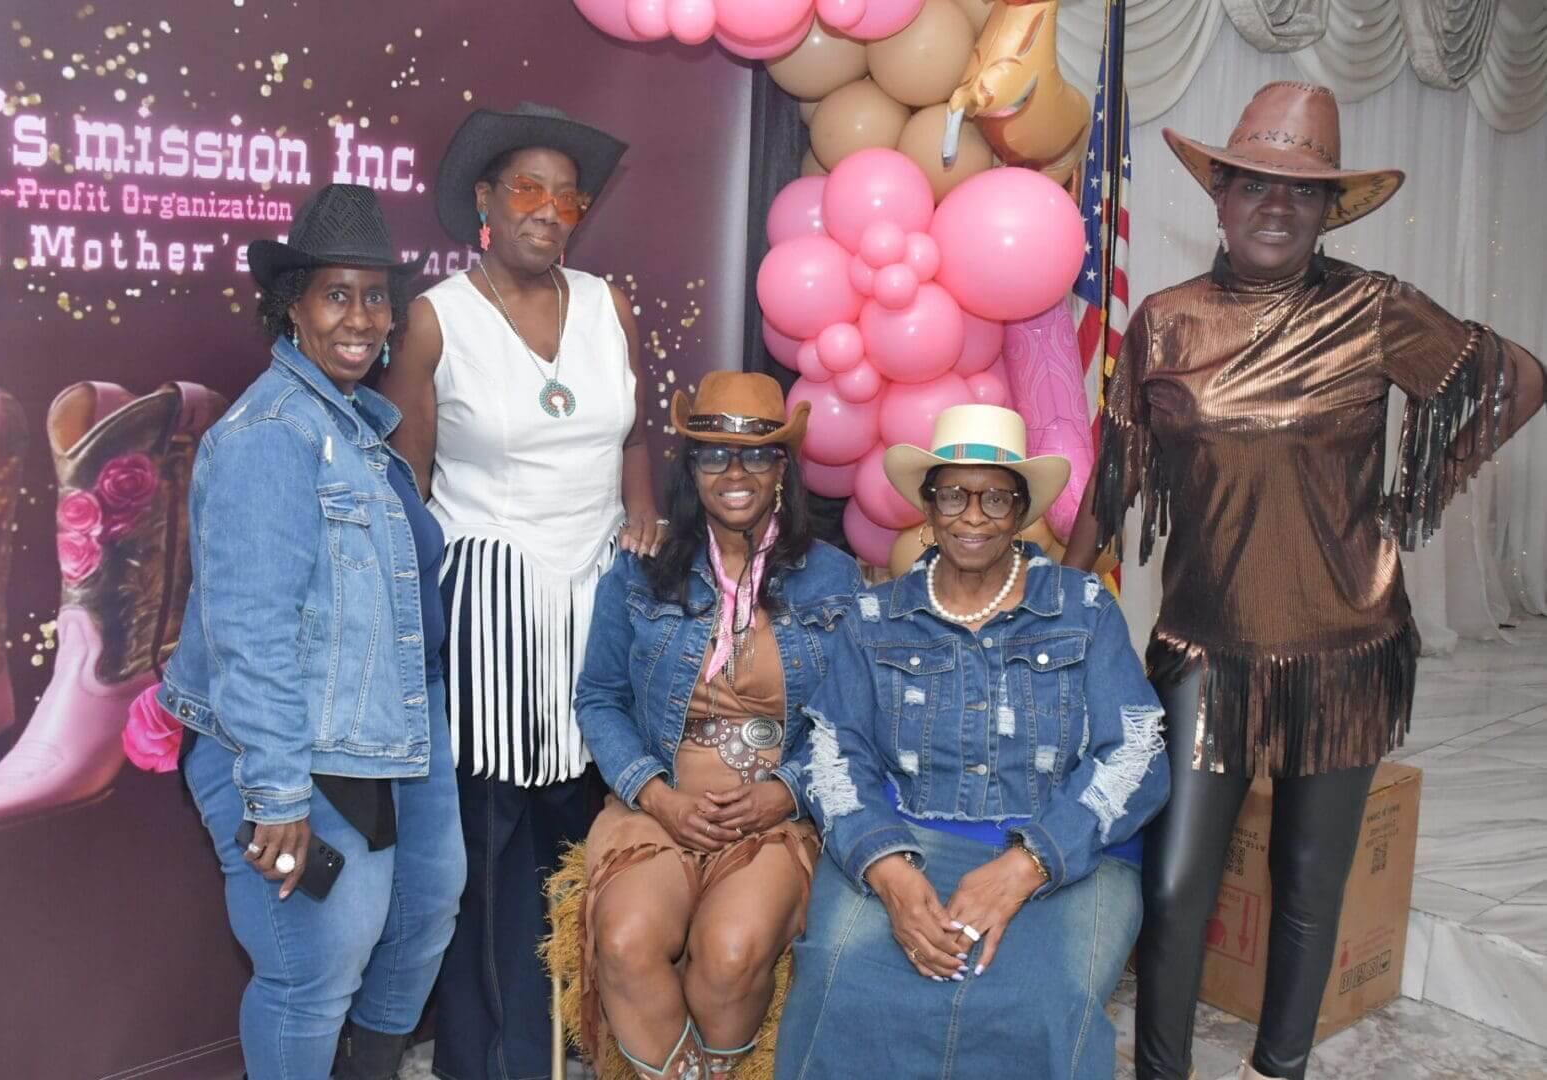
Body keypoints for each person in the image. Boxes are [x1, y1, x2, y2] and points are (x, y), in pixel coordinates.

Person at [1061, 82, 1547, 1080]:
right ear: (1222, 195)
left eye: (1303, 190)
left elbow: (1517, 377)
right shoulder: (1165, 321)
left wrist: (1428, 479)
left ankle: (1276, 1069)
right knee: (1175, 886)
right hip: (1204, 648)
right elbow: (1115, 480)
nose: (1277, 204)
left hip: (1345, 649)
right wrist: (1058, 604)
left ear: (1328, 210)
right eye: (1256, 183)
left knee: (1310, 883)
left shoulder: (1376, 310)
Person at [378, 102, 662, 1080]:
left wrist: (642, 515)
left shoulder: (607, 302)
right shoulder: (434, 319)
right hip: (489, 607)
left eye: (565, 194)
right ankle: (486, 1060)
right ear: (486, 204)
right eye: (527, 189)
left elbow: (633, 434)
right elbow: (407, 482)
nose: (549, 210)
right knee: (489, 860)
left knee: (579, 837)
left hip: (596, 598)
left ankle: (578, 1045)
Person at [157, 184, 466, 1080]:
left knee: (423, 919)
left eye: (376, 297)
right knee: (315, 969)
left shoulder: (361, 428)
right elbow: (250, 636)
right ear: (291, 305)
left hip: (397, 729)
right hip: (294, 744)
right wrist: (278, 797)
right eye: (337, 293)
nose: (361, 317)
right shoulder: (269, 435)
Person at [775, 404, 1169, 1080]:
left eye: (996, 498)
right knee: (841, 982)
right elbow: (832, 752)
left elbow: (1136, 751)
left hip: (1067, 850)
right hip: (907, 840)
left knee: (1044, 999)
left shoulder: (1083, 607)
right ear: (928, 506)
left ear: (1020, 512)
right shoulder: (875, 617)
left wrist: (1030, 864)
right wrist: (888, 873)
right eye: (954, 494)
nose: (974, 516)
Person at [572, 372, 861, 1078]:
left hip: (772, 817)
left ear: (783, 468)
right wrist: (658, 796)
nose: (735, 473)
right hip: (661, 803)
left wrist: (786, 792)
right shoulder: (638, 572)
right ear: (691, 469)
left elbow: (855, 721)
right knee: (625, 938)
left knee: (730, 951)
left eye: (757, 454)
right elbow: (599, 699)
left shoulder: (836, 580)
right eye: (713, 454)